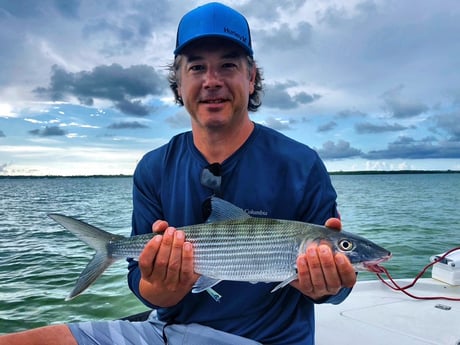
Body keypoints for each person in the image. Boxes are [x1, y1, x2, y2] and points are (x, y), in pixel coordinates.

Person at [0, 2, 356, 344]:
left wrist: (327, 285)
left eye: (229, 66)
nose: (212, 81)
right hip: (164, 332)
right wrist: (165, 287)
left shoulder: (301, 163)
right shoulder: (154, 167)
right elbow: (145, 287)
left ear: (251, 78)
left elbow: (337, 292)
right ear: (178, 81)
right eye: (197, 67)